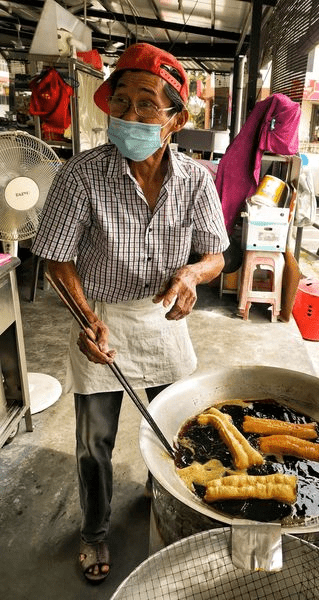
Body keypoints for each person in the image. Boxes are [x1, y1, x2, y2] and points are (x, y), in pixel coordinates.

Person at [31, 43, 229, 584]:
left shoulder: (196, 181)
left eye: (146, 104)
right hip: (103, 318)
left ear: (176, 119)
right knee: (95, 442)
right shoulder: (81, 175)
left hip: (164, 316)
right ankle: (95, 531)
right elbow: (55, 256)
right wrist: (84, 316)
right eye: (120, 102)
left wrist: (190, 275)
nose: (130, 115)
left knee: (175, 427)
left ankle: (157, 487)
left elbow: (215, 253)